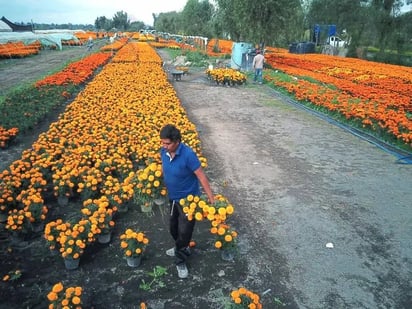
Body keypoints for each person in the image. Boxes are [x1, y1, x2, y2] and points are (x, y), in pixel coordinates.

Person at [159, 124, 215, 279]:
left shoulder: (188, 154)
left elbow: (201, 176)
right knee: (173, 228)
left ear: (177, 141)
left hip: (188, 202)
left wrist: (211, 198)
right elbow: (163, 166)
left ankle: (180, 260)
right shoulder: (164, 152)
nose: (164, 146)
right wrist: (157, 180)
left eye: (167, 143)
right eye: (162, 143)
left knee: (184, 232)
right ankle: (181, 247)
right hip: (173, 197)